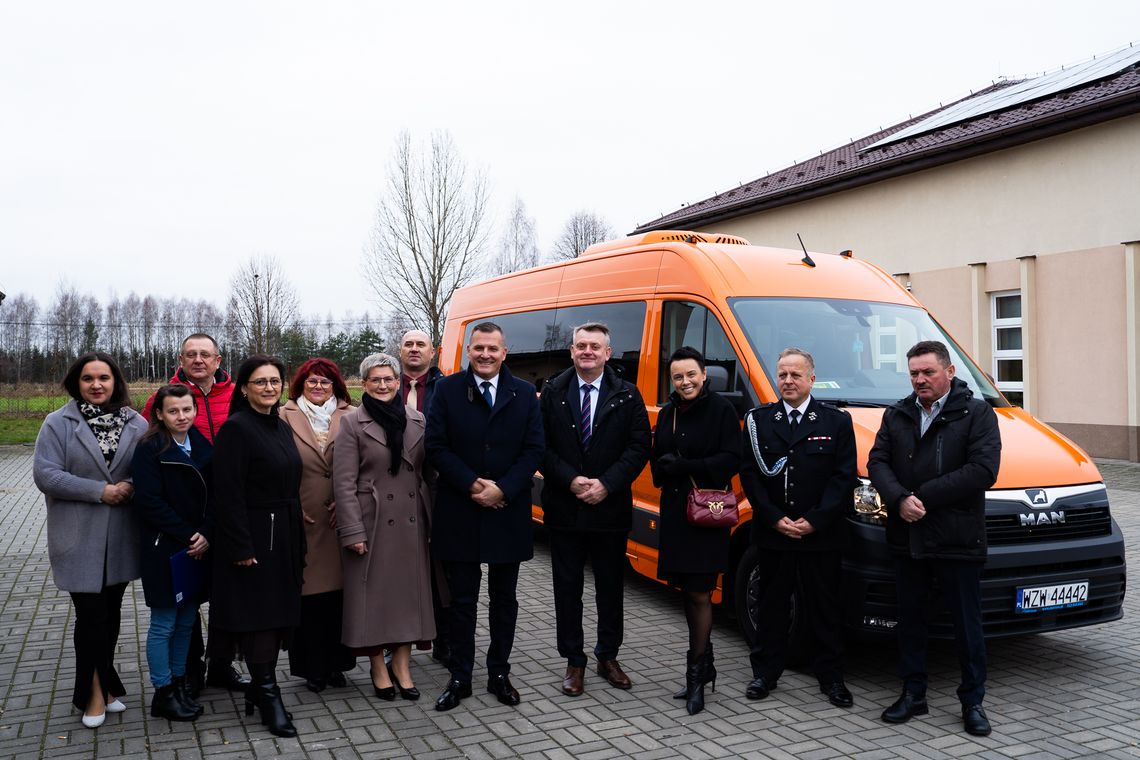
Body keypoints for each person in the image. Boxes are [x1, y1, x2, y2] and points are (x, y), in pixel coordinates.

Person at [868, 340, 1001, 737]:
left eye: (927, 372)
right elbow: (877, 461)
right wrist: (897, 499)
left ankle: (972, 701)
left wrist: (918, 497)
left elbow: (982, 471)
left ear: (950, 372)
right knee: (910, 620)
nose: (920, 380)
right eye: (913, 374)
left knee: (967, 625)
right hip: (908, 536)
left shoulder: (977, 414)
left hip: (958, 538)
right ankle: (913, 694)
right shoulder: (897, 414)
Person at [426, 322, 544, 711]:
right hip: (460, 508)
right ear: (469, 351)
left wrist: (503, 489)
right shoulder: (446, 390)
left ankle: (499, 673)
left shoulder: (525, 394)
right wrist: (473, 485)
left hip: (507, 511)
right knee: (462, 600)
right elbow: (436, 446)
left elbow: (533, 450)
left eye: (493, 348)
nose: (486, 355)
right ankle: (460, 676)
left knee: (504, 599)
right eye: (479, 348)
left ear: (505, 352)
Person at [33, 351, 148, 728]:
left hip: (119, 539)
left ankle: (106, 687)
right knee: (89, 618)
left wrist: (129, 486)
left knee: (110, 615)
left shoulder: (136, 422)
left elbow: (147, 468)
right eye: (88, 378)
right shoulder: (58, 423)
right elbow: (46, 475)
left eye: (104, 378)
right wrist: (100, 491)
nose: (96, 385)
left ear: (116, 381)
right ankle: (93, 694)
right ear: (76, 382)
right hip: (78, 537)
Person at [738, 348, 857, 707]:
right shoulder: (760, 420)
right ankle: (764, 673)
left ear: (811, 380)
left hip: (820, 534)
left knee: (824, 607)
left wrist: (815, 520)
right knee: (771, 606)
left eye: (795, 375)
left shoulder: (836, 421)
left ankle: (831, 677)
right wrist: (775, 518)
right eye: (782, 375)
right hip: (774, 533)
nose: (788, 381)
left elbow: (843, 477)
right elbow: (750, 475)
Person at [539, 322, 650, 696]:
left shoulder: (628, 395)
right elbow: (540, 445)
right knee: (567, 588)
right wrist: (571, 480)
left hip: (609, 509)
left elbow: (638, 448)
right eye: (581, 345)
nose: (587, 351)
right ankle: (574, 661)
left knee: (610, 588)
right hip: (564, 508)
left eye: (595, 346)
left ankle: (607, 657)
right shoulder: (553, 391)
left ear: (608, 353)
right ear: (571, 351)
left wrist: (607, 484)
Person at [141, 332, 245, 694]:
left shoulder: (236, 395)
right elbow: (148, 461)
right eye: (191, 355)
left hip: (225, 514)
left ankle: (221, 665)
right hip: (181, 526)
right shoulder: (163, 398)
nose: (198, 360)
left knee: (225, 594)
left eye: (205, 354)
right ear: (181, 361)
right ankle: (185, 673)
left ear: (218, 360)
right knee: (183, 606)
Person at [209, 355, 305, 738]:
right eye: (260, 381)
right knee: (259, 619)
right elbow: (227, 494)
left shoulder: (278, 424)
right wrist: (239, 545)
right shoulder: (237, 429)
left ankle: (261, 690)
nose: (269, 387)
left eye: (275, 381)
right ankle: (267, 694)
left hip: (283, 534)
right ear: (244, 388)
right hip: (252, 539)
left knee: (278, 614)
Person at [334, 353, 434, 701]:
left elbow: (425, 471)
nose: (382, 385)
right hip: (371, 522)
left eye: (388, 379)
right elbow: (343, 483)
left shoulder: (417, 418)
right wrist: (352, 531)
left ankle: (402, 665)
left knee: (408, 596)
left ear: (399, 381)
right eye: (375, 379)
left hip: (410, 521)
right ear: (364, 383)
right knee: (372, 598)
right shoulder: (351, 423)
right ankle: (378, 665)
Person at [650, 346, 740, 716]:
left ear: (704, 375)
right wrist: (665, 465)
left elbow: (731, 461)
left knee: (701, 594)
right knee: (687, 592)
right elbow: (657, 464)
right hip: (675, 517)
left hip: (707, 516)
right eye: (677, 377)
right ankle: (707, 665)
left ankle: (695, 677)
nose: (684, 382)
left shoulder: (721, 410)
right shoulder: (668, 412)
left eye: (691, 375)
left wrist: (684, 463)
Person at [131, 384, 213, 722]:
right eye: (174, 411)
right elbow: (149, 501)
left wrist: (207, 533)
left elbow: (217, 493)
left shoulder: (203, 444)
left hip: (197, 547)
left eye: (187, 409)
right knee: (164, 622)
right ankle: (163, 692)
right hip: (164, 547)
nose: (182, 416)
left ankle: (179, 683)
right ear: (160, 414)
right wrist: (189, 533)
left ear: (195, 410)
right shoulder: (150, 449)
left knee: (186, 620)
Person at [281, 358, 356, 693]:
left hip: (340, 515)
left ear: (336, 386)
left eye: (325, 382)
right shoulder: (284, 417)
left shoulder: (352, 415)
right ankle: (311, 667)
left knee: (339, 597)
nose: (318, 387)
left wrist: (350, 502)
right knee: (308, 598)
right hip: (304, 517)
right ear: (300, 384)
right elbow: (275, 466)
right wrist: (291, 504)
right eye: (312, 381)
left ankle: (337, 664)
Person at [397, 328, 450, 666]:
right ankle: (396, 640)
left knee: (441, 571)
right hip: (394, 492)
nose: (415, 350)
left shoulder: (450, 389)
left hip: (439, 489)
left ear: (434, 352)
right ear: (399, 350)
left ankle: (445, 640)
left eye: (421, 344)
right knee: (397, 568)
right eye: (408, 344)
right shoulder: (383, 386)